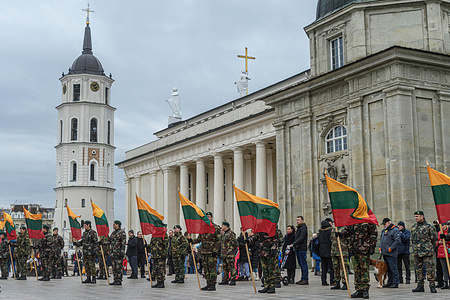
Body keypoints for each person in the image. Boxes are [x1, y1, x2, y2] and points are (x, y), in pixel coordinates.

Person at [340, 223, 378, 299]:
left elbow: (373, 234)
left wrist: (372, 247)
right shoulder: (352, 220)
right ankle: (358, 289)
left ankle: (365, 290)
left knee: (364, 270)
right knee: (356, 270)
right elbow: (347, 232)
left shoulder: (368, 220)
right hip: (354, 249)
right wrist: (340, 233)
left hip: (364, 249)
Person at [191, 212, 221, 291]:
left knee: (212, 269)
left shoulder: (215, 227)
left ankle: (213, 284)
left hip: (211, 252)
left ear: (211, 218)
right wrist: (191, 241)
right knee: (206, 269)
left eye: (209, 217)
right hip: (204, 252)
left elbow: (219, 240)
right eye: (206, 217)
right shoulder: (203, 227)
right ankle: (208, 283)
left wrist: (215, 250)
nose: (207, 218)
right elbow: (199, 238)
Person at [411, 211, 437, 293]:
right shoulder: (414, 227)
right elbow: (413, 240)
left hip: (426, 252)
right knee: (418, 269)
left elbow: (434, 238)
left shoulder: (429, 226)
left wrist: (429, 247)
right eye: (415, 216)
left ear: (422, 216)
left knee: (430, 269)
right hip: (417, 252)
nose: (416, 218)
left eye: (417, 216)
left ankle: (432, 285)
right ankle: (420, 286)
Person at [379, 218, 400, 288]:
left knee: (393, 268)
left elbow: (397, 241)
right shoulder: (384, 230)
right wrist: (380, 247)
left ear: (389, 222)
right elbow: (382, 240)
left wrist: (391, 248)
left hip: (391, 253)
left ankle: (395, 282)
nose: (384, 225)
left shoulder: (395, 230)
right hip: (385, 253)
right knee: (388, 269)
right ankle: (390, 282)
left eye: (384, 224)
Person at [218, 221, 238, 286]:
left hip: (229, 253)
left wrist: (231, 250)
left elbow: (235, 243)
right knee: (225, 267)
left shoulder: (231, 234)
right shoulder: (223, 234)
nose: (221, 227)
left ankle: (233, 279)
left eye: (222, 226)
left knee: (231, 266)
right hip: (224, 254)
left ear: (226, 226)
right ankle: (225, 279)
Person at [331, 225, 349, 290]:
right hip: (334, 251)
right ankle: (337, 282)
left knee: (344, 268)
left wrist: (341, 235)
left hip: (342, 251)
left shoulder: (345, 228)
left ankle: (345, 283)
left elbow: (348, 238)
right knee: (335, 268)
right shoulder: (333, 229)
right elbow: (331, 239)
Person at [291, 216, 308, 285]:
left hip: (302, 248)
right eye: (297, 220)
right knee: (301, 264)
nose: (297, 221)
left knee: (303, 264)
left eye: (299, 220)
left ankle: (305, 279)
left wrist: (293, 244)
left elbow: (301, 238)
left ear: (302, 220)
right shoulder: (299, 228)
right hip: (298, 248)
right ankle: (302, 278)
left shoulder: (303, 228)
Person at [109, 220, 126, 285]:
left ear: (118, 225)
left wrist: (122, 252)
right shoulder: (113, 233)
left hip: (118, 253)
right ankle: (115, 279)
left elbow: (123, 243)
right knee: (114, 267)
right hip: (113, 253)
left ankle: (119, 280)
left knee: (118, 267)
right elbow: (109, 241)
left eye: (115, 224)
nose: (113, 225)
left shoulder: (122, 232)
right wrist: (102, 243)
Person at [318, 219, 334, 286]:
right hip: (329, 251)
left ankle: (323, 281)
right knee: (331, 267)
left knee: (324, 268)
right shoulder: (330, 230)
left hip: (322, 251)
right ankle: (332, 281)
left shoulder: (320, 231)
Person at [437, 221, 450, 289]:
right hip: (441, 252)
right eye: (441, 226)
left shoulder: (448, 231)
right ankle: (445, 282)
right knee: (444, 268)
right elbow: (437, 242)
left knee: (449, 268)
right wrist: (439, 242)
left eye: (443, 225)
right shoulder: (439, 232)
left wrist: (446, 241)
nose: (442, 227)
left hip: (448, 252)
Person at [433, 220, 445, 288]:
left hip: (446, 251)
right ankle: (440, 282)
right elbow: (436, 241)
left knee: (445, 268)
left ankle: (446, 281)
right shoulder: (438, 231)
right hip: (439, 251)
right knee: (439, 267)